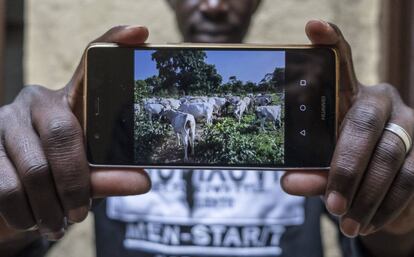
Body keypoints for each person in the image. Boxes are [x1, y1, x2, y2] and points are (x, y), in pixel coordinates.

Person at [1, 0, 414, 256]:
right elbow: (30, 230)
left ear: (256, 2)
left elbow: (378, 238)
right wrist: (10, 216)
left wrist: (400, 215)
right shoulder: (116, 115)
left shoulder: (306, 108)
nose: (215, 4)